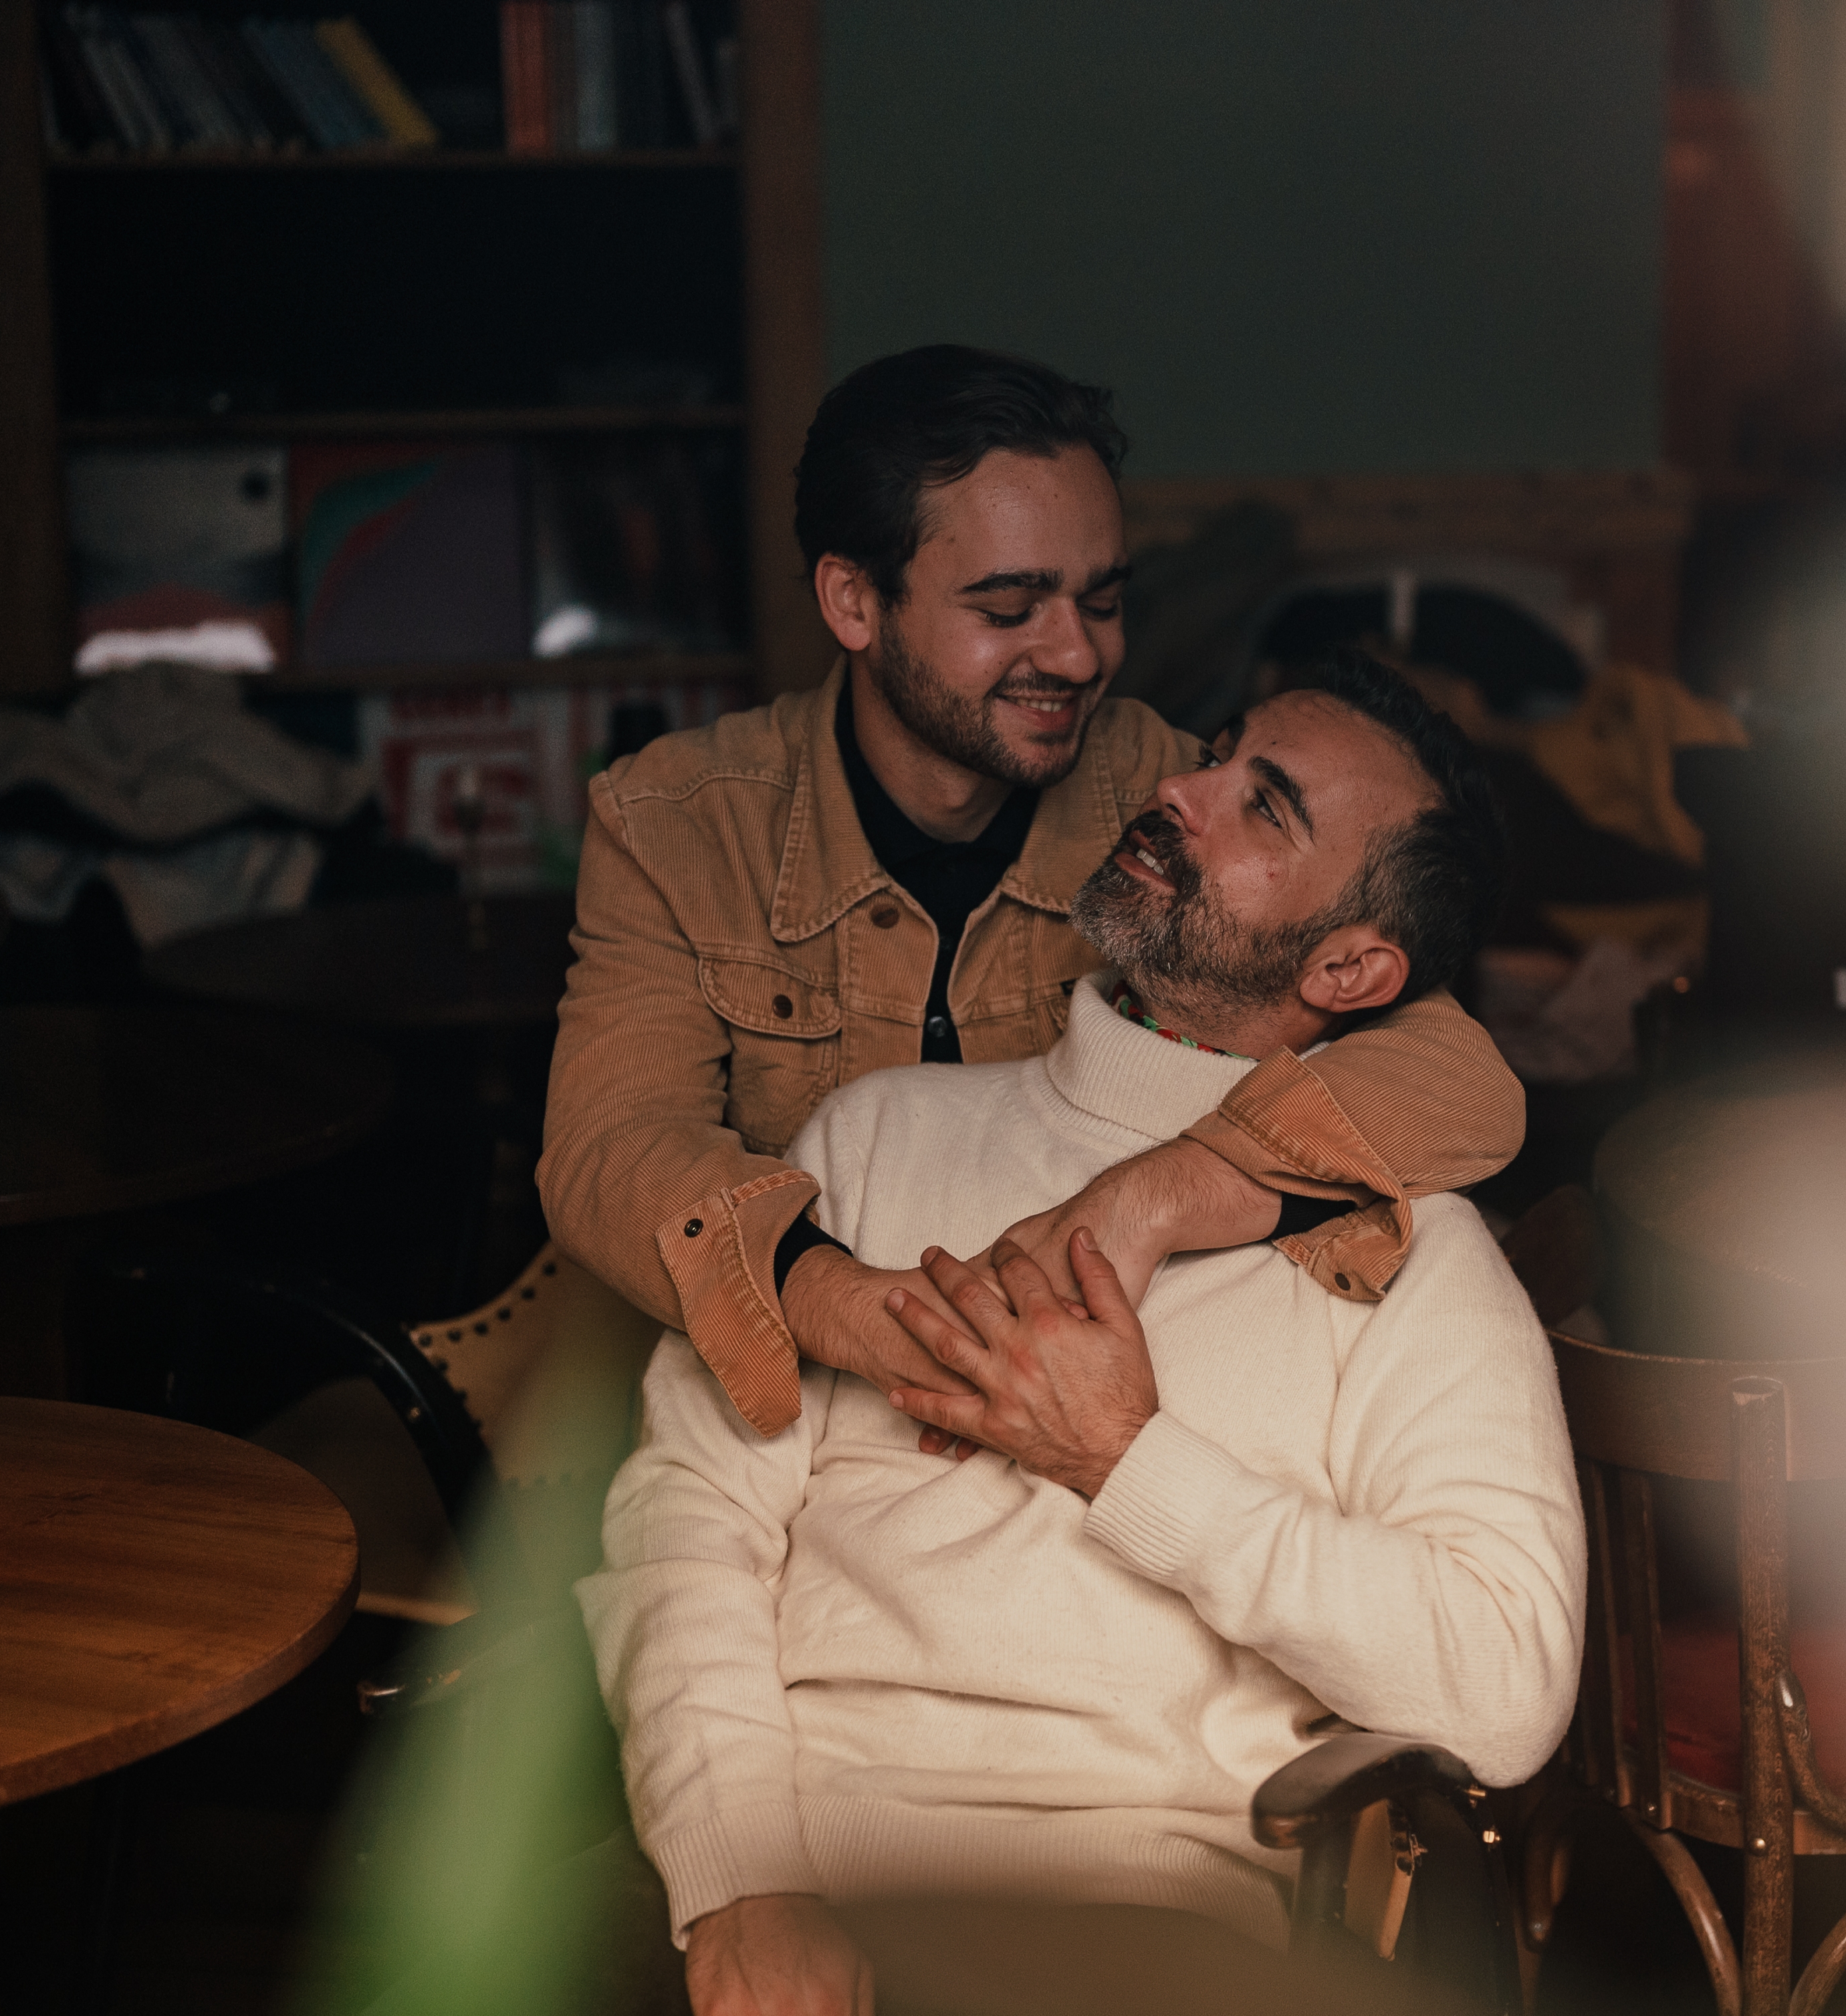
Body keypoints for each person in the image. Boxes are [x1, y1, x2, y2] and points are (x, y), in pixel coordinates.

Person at [578, 656, 1584, 2015]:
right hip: (781, 1863)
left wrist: (1125, 1457)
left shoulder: (1408, 1253)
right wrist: (741, 1879)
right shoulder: (878, 1133)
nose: (1179, 789)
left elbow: (1506, 1686)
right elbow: (683, 1525)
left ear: (1351, 965)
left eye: (1264, 805)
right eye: (1215, 753)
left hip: (1135, 1919)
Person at [541, 346, 1526, 1439]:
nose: (1077, 656)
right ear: (854, 601)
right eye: (1010, 608)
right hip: (778, 1433)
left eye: (1101, 601)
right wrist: (869, 1314)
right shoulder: (677, 822)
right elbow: (611, 1149)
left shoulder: (1168, 801)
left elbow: (1457, 1083)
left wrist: (1150, 1199)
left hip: (1089, 1414)